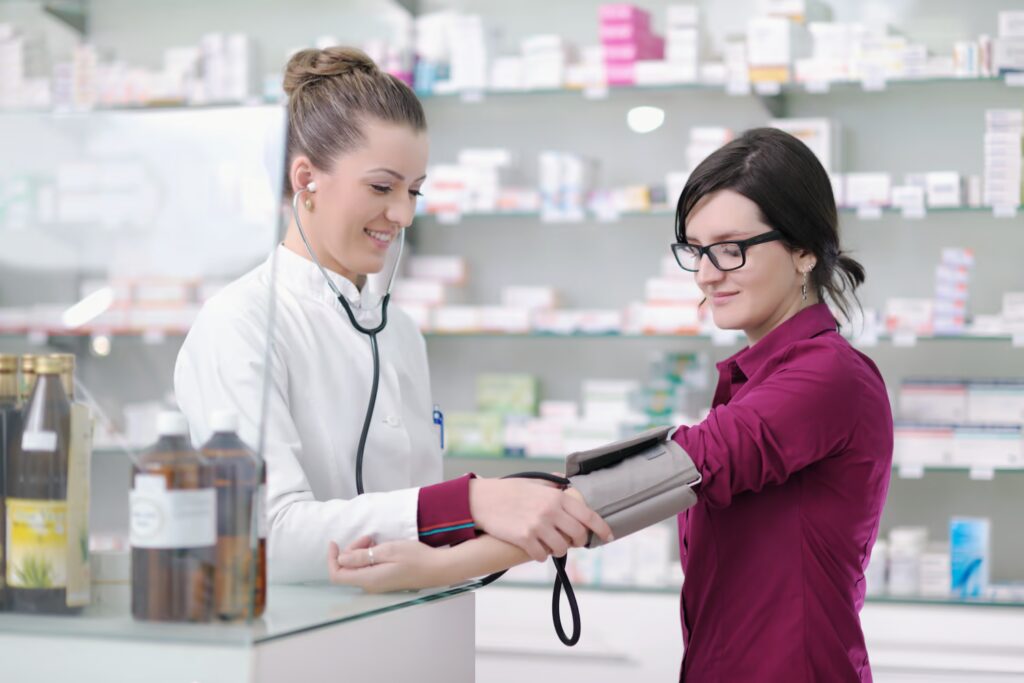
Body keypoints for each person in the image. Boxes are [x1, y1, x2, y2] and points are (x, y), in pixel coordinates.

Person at [328, 128, 894, 683]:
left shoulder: (828, 376)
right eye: (696, 250)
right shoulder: (756, 376)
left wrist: (439, 565)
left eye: (731, 249)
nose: (706, 273)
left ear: (803, 251)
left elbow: (668, 475)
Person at [174, 46, 612, 584]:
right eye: (382, 187)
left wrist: (529, 512)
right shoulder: (239, 325)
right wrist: (469, 499)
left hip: (421, 631)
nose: (403, 214)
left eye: (414, 191)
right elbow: (265, 534)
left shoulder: (398, 329)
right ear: (305, 178)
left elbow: (416, 525)